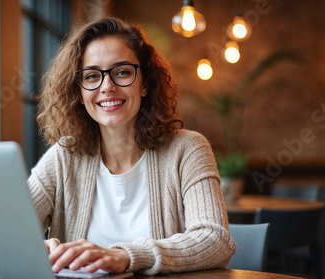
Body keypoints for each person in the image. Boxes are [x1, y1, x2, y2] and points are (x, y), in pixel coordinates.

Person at [28, 17, 236, 275]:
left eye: (122, 72)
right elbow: (8, 231)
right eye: (92, 76)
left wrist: (126, 255)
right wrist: (34, 247)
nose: (107, 87)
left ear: (145, 83)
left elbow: (215, 241)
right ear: (79, 92)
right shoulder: (63, 156)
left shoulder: (188, 149)